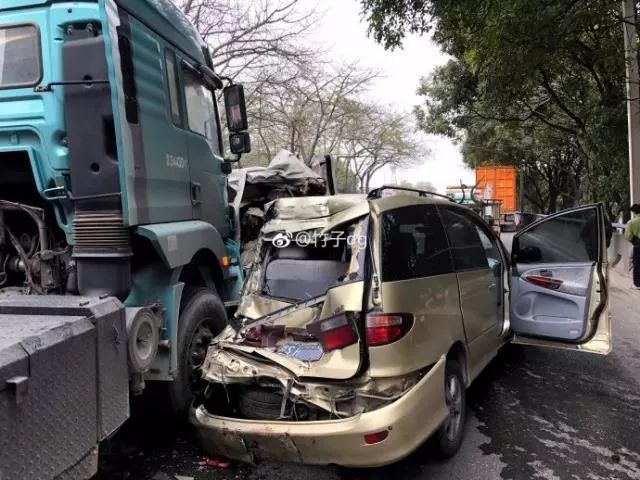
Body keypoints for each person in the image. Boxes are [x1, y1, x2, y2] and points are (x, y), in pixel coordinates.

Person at [624, 204, 640, 289]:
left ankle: (637, 284)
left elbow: (627, 236)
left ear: (634, 212)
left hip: (638, 246)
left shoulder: (631, 223)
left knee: (637, 265)